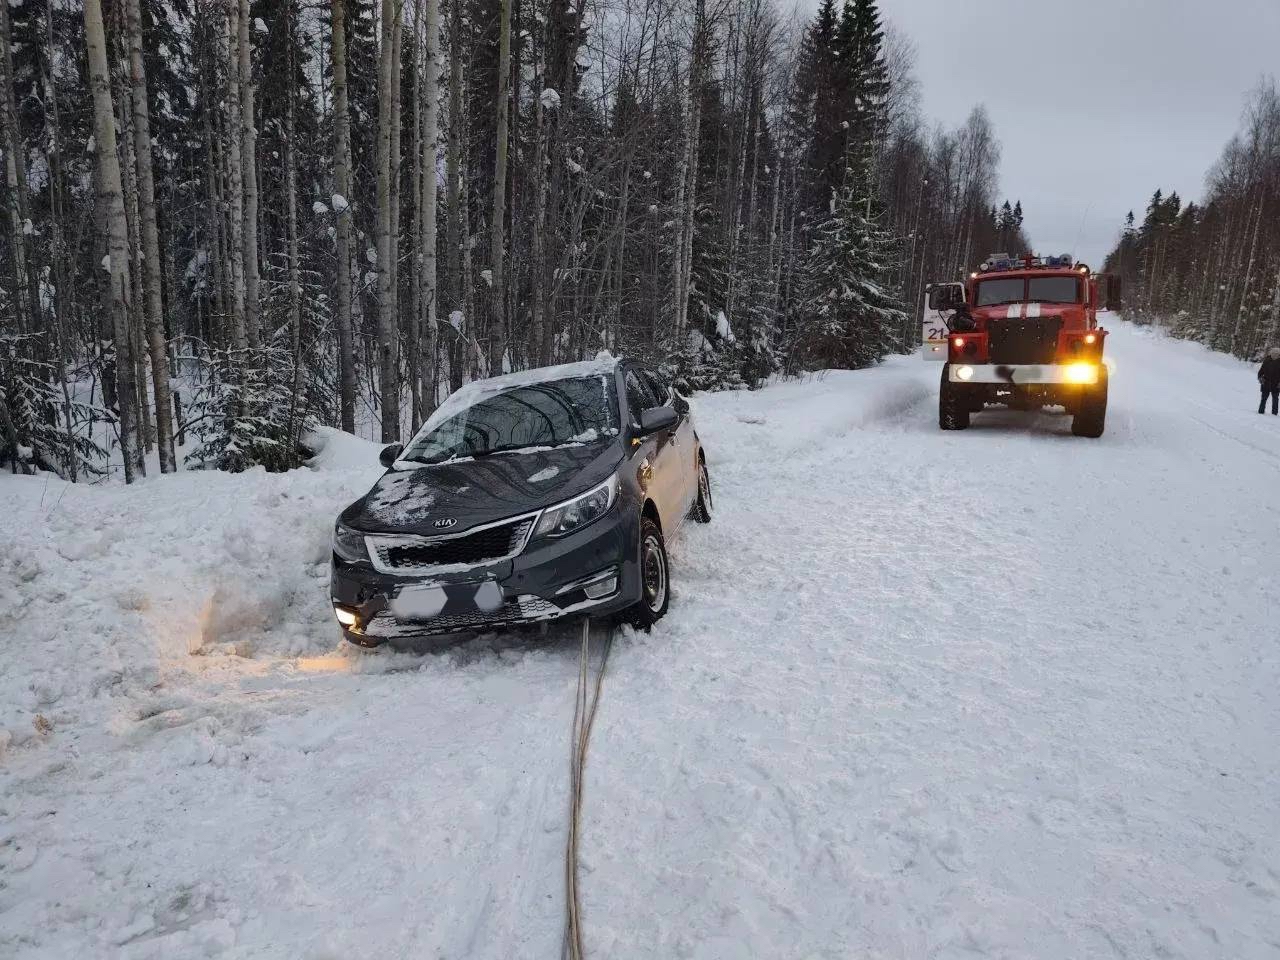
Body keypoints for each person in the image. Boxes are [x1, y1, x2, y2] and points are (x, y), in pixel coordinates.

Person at [1260, 346, 1280, 415]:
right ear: (1271, 353)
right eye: (1273, 353)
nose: (1274, 355)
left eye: (1276, 354)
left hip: (1276, 384)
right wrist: (1260, 378)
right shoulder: (1267, 360)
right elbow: (1261, 371)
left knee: (1275, 400)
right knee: (1263, 399)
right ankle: (1260, 412)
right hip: (1266, 383)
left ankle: (1274, 414)